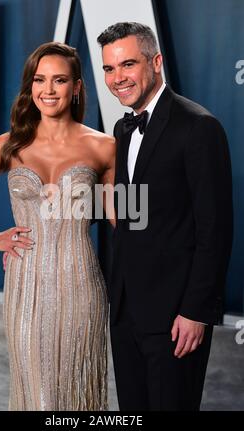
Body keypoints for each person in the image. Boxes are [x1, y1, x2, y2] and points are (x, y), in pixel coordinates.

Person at [0, 42, 115, 410]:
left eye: (59, 80)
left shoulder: (104, 147)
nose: (48, 90)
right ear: (30, 86)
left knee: (74, 394)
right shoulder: (10, 145)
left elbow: (124, 218)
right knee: (37, 394)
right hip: (25, 286)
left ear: (77, 87)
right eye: (40, 80)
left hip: (81, 285)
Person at [97, 22, 233, 411]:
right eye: (109, 69)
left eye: (127, 65)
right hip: (125, 313)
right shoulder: (122, 129)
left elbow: (215, 230)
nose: (117, 78)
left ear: (155, 62)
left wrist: (195, 311)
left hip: (176, 317)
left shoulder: (199, 127)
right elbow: (130, 214)